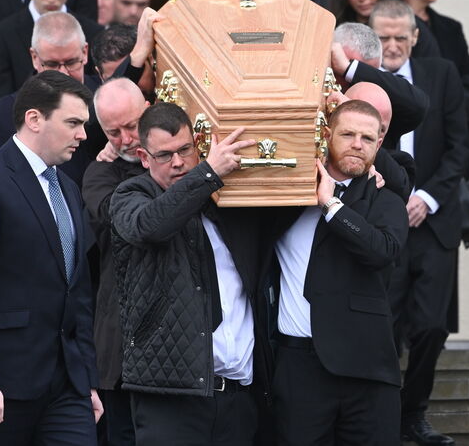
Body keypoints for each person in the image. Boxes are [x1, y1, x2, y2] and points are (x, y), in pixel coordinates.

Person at [0, 70, 102, 445]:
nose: (83, 135)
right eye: (73, 122)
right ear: (34, 119)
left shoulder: (69, 189)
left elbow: (78, 292)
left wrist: (87, 380)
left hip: (66, 387)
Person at [109, 103, 274, 445]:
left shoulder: (226, 199)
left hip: (237, 396)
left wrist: (369, 172)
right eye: (165, 155)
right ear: (144, 157)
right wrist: (209, 172)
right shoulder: (130, 196)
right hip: (170, 397)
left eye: (185, 150)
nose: (179, 162)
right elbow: (151, 226)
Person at [271, 99, 408, 445]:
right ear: (328, 135)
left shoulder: (386, 200)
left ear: (379, 145)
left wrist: (331, 205)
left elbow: (382, 251)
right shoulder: (284, 196)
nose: (357, 144)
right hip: (296, 365)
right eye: (348, 134)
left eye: (367, 137)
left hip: (366, 368)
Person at [370, 0, 469, 446]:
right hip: (382, 224)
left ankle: (415, 414)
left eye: (398, 37)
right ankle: (384, 417)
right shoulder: (360, 81)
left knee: (431, 325)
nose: (391, 46)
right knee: (383, 325)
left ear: (414, 37)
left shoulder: (442, 75)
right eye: (383, 37)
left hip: (433, 222)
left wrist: (426, 198)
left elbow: (460, 148)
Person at [82, 78, 150, 446]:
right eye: (113, 131)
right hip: (120, 343)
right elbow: (128, 221)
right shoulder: (99, 172)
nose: (125, 139)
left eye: (133, 125)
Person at [0, 12, 100, 185]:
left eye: (71, 62)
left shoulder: (106, 99)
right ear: (35, 58)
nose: (63, 73)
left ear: (85, 52)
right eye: (52, 64)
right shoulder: (3, 115)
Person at [331, 21, 429, 147]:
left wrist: (349, 69)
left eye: (355, 77)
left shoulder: (378, 106)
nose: (348, 82)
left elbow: (418, 104)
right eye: (338, 70)